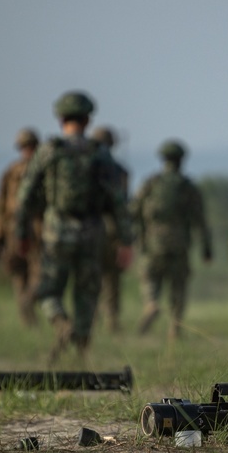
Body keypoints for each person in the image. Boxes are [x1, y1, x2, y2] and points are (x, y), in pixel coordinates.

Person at [14, 91, 133, 363]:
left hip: (56, 231)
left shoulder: (49, 151)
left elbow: (25, 196)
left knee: (47, 290)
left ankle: (60, 324)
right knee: (87, 294)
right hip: (92, 231)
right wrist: (125, 240)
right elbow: (118, 201)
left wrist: (21, 233)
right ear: (88, 120)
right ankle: (80, 352)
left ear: (60, 120)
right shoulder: (101, 154)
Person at [132, 140, 212, 340]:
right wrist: (206, 248)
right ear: (181, 160)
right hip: (179, 243)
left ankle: (151, 303)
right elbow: (200, 220)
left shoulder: (151, 183)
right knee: (179, 286)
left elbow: (134, 211)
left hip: (153, 242)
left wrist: (137, 238)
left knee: (150, 277)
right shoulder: (187, 187)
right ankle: (175, 328)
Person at [0, 128, 43, 327]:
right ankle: (27, 320)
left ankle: (27, 304)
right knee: (19, 275)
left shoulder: (29, 170)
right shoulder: (11, 172)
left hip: (37, 228)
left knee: (37, 275)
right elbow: (2, 205)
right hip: (16, 229)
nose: (28, 151)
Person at [90, 126, 130, 333]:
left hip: (91, 229)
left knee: (90, 278)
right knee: (112, 280)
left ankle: (90, 319)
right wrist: (126, 239)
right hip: (113, 232)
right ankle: (112, 321)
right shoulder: (120, 170)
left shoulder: (86, 167)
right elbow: (122, 207)